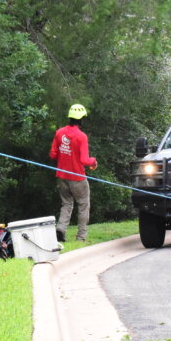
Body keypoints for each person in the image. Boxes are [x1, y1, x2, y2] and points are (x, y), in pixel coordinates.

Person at [50, 104, 97, 242]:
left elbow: (53, 155)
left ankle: (60, 230)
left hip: (62, 177)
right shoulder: (81, 136)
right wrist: (93, 161)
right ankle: (81, 237)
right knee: (83, 205)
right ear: (81, 119)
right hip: (77, 177)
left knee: (66, 204)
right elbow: (84, 160)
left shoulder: (59, 133)